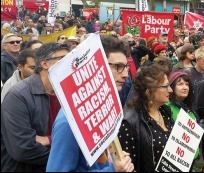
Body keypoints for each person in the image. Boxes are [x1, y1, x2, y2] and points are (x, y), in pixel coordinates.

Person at [46, 37, 134, 172]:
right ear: (97, 65)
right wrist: (112, 170)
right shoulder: (68, 121)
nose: (126, 75)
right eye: (118, 67)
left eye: (126, 67)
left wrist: (118, 162)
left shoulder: (106, 104)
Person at [1, 43, 70, 172]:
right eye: (63, 59)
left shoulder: (71, 92)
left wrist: (49, 139)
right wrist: (66, 155)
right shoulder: (18, 95)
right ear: (45, 64)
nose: (71, 64)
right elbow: (22, 149)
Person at [118, 62, 174, 171]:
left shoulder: (165, 112)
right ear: (149, 92)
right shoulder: (130, 124)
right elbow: (128, 167)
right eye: (166, 86)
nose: (170, 90)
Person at [166, 72, 199, 171]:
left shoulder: (189, 108)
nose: (185, 87)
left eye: (187, 84)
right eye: (180, 84)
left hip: (190, 159)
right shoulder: (166, 108)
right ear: (172, 87)